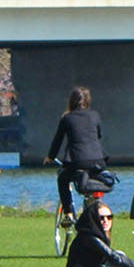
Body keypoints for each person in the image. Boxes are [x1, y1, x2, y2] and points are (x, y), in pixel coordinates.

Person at [45, 85, 106, 217]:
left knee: (62, 179)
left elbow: (58, 141)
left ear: (71, 101)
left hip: (78, 161)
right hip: (98, 160)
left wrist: (50, 157)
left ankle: (68, 213)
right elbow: (99, 135)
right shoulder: (95, 115)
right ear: (88, 101)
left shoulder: (67, 118)